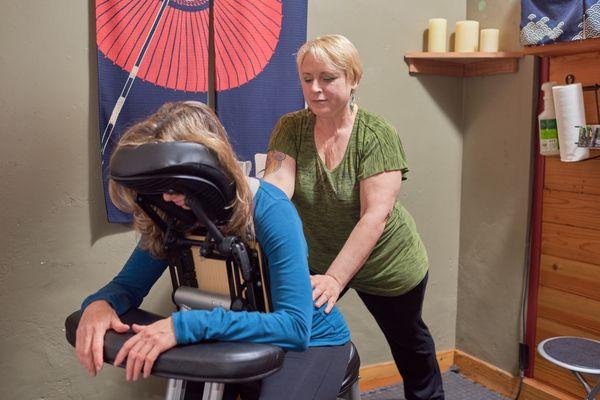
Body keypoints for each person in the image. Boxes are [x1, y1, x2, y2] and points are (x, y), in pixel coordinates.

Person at [75, 101, 351, 400]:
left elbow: (295, 326)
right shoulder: (172, 215)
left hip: (313, 341)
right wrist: (100, 304)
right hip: (233, 335)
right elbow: (127, 286)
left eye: (177, 185)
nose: (168, 196)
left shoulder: (271, 209)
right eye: (162, 186)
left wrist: (189, 325)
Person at [264, 34, 445, 400]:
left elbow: (374, 217)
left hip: (387, 261)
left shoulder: (376, 135)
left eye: (327, 78)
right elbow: (276, 190)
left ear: (353, 79)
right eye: (307, 78)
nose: (315, 89)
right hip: (321, 256)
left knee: (408, 343)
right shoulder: (291, 128)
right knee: (297, 330)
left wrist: (334, 279)